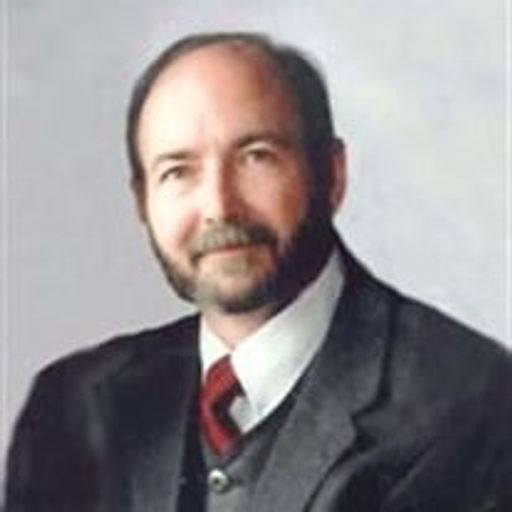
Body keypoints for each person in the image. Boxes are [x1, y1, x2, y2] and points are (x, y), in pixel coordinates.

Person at [5, 32, 512, 512]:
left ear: (331, 175)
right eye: (177, 171)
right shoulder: (69, 409)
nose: (219, 207)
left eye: (256, 157)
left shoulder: (473, 401)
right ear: (142, 202)